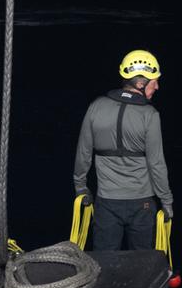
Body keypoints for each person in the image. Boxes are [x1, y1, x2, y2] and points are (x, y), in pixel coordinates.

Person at [73, 49, 174, 252]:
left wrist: (80, 187)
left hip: (106, 203)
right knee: (142, 264)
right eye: (154, 81)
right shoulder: (150, 115)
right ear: (140, 83)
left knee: (105, 262)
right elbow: (156, 163)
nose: (157, 86)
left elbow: (83, 152)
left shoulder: (96, 106)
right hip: (142, 205)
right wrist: (166, 200)